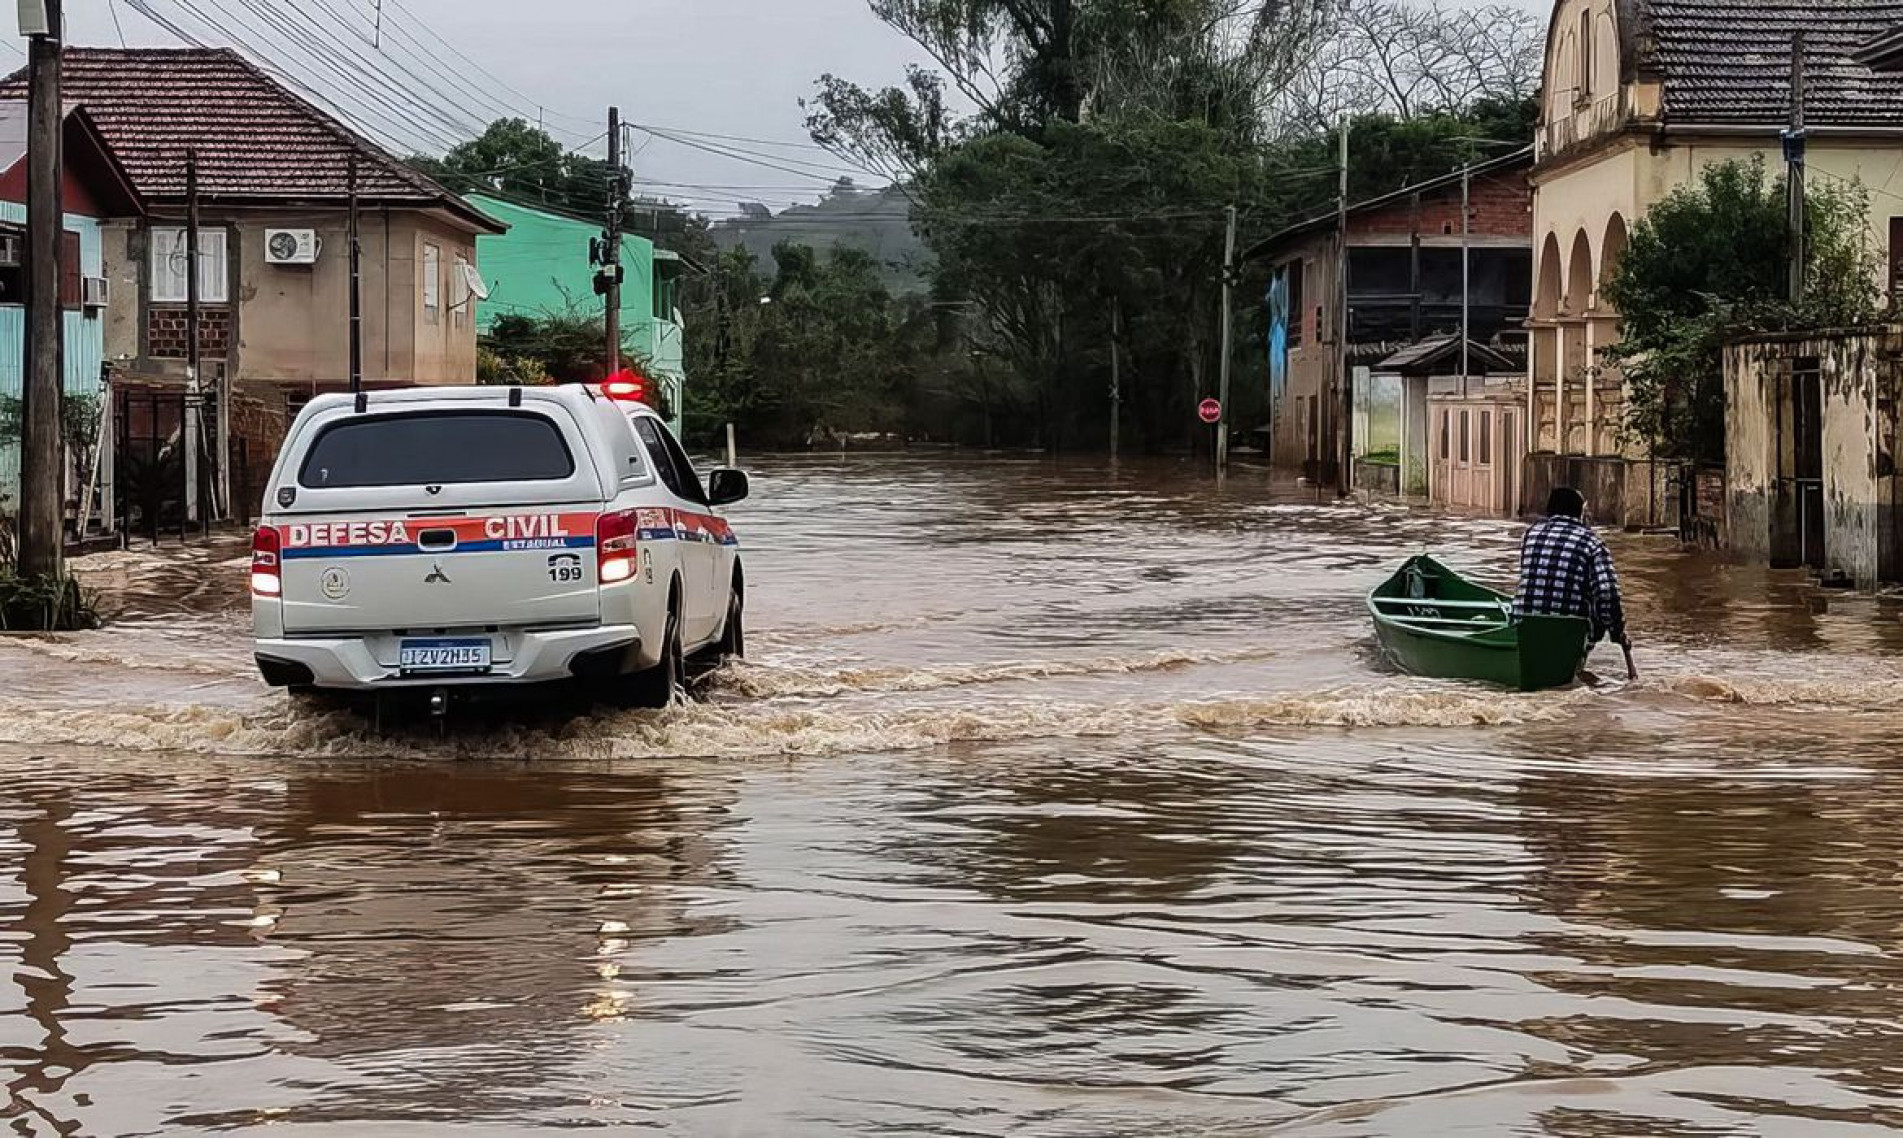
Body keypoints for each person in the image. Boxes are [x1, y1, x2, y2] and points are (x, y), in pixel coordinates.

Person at [1513, 486, 1629, 648]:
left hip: (1523, 624)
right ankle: (1581, 652)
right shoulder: (1592, 542)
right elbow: (1607, 593)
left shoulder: (1530, 534)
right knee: (1595, 603)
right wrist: (1617, 631)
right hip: (1569, 630)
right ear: (1580, 511)